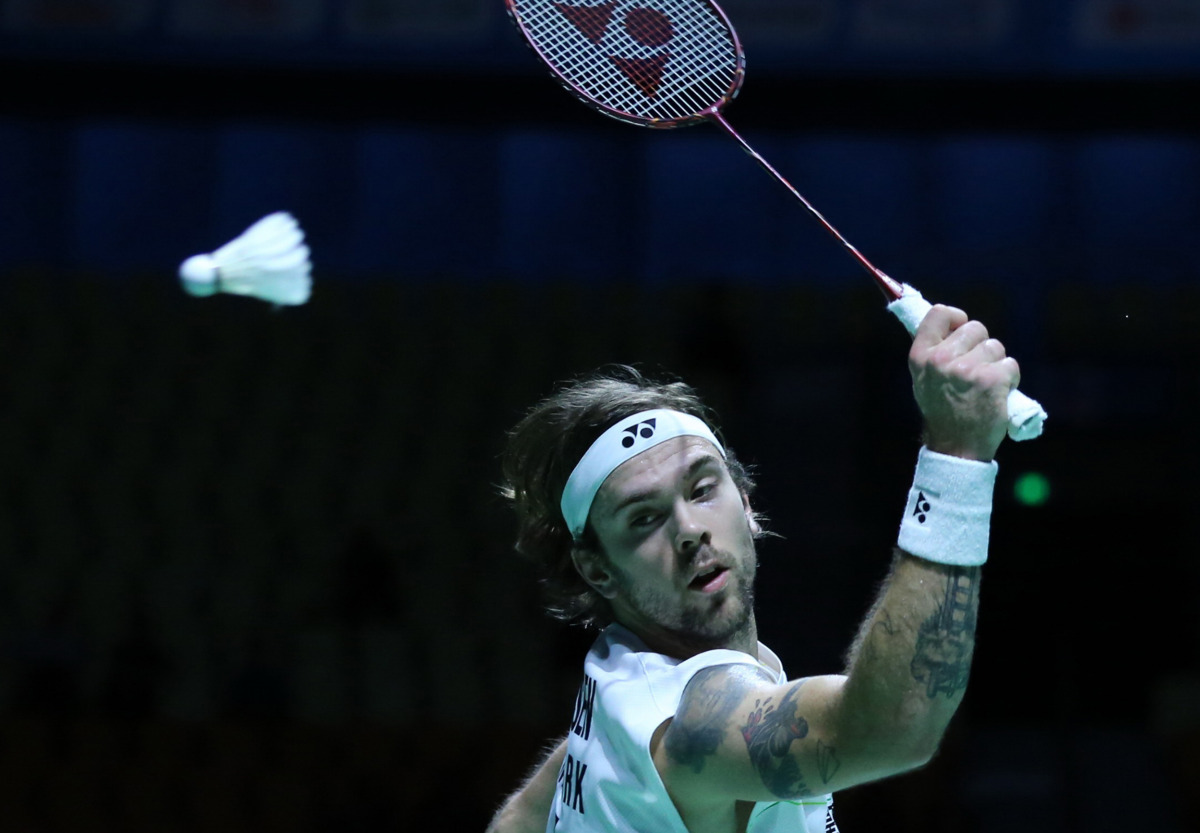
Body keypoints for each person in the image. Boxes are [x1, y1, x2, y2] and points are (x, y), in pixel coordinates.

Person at [488, 305, 1020, 833]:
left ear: (745, 502)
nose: (689, 529)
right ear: (597, 570)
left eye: (701, 490)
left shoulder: (619, 681)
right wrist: (957, 455)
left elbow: (520, 820)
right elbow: (890, 731)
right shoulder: (693, 725)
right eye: (644, 518)